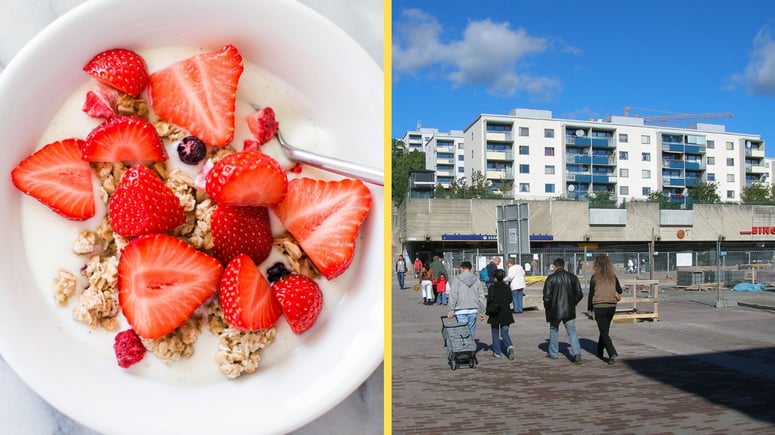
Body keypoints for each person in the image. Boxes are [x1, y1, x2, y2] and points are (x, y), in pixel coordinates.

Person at [542, 258, 584, 363]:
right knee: (572, 332)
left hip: (555, 310)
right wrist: (572, 303)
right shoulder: (573, 277)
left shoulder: (551, 278)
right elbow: (579, 294)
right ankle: (577, 353)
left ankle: (553, 353)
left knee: (554, 330)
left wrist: (548, 307)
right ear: (564, 265)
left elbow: (546, 297)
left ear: (554, 266)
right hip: (569, 310)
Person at [587, 254, 623, 365]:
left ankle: (612, 352)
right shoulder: (612, 275)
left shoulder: (595, 277)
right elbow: (620, 290)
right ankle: (599, 350)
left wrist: (589, 309)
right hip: (611, 305)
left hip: (599, 306)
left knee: (603, 331)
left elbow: (591, 294)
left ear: (596, 264)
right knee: (604, 330)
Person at [447, 261, 486, 340]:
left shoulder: (457, 279)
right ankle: (470, 348)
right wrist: (482, 312)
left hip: (460, 309)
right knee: (471, 331)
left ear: (461, 268)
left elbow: (453, 296)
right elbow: (481, 296)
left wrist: (451, 310)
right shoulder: (476, 280)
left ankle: (464, 348)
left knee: (462, 331)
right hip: (473, 309)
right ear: (471, 268)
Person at [487, 269, 515, 359]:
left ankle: (497, 352)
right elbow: (510, 299)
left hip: (495, 312)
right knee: (505, 332)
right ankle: (509, 346)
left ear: (495, 278)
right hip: (506, 312)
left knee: (495, 332)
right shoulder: (507, 287)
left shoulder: (492, 287)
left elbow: (489, 300)